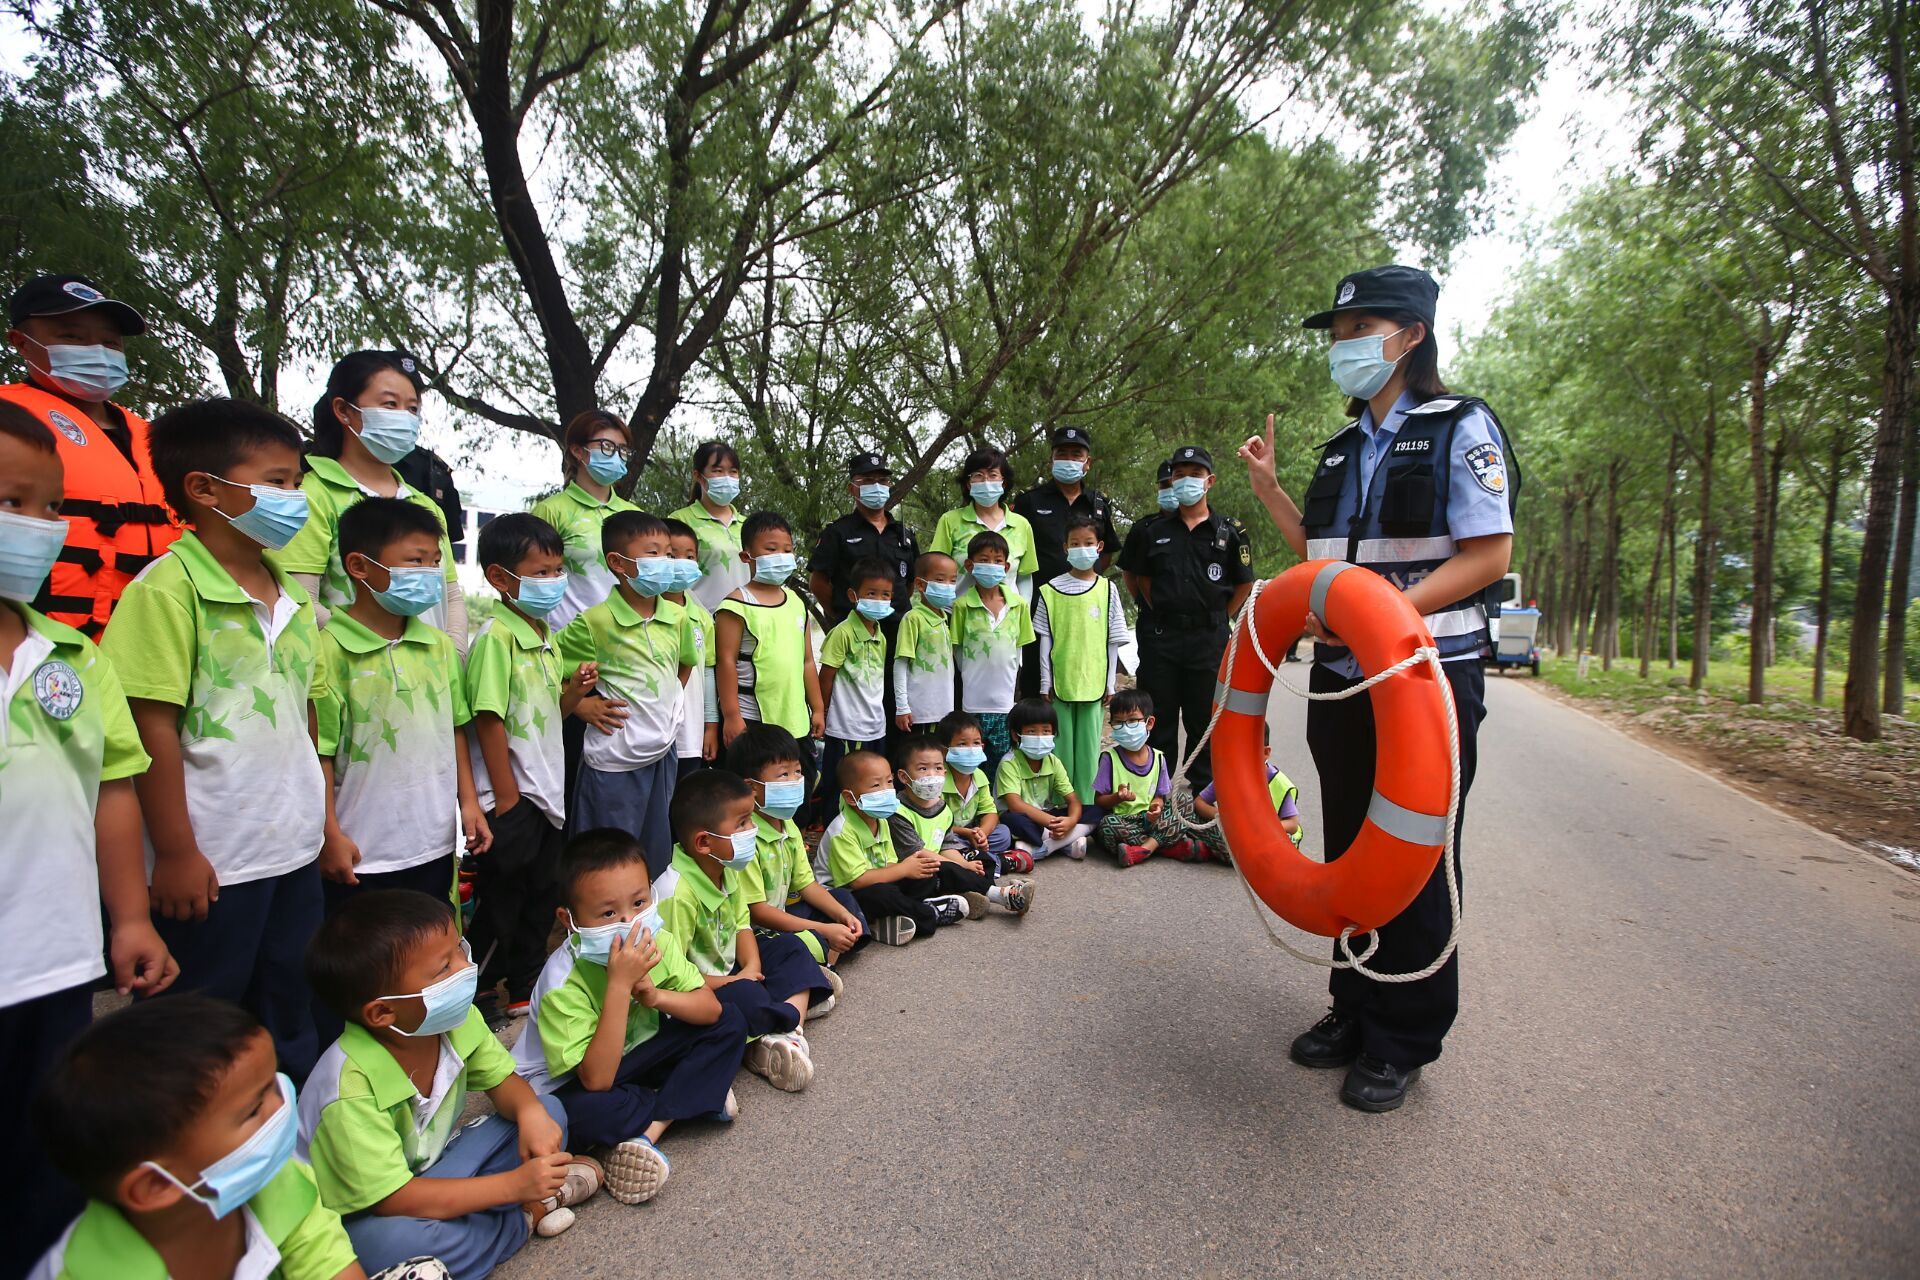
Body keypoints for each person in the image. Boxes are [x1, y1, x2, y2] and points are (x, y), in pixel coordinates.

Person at [1238, 263, 1515, 1112]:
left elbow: (1489, 555)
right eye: (1338, 337)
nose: (1343, 349)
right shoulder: (1340, 447)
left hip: (1426, 675)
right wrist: (1273, 492)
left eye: (1358, 333)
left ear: (1411, 336)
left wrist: (1384, 611)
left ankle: (1404, 1036)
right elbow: (1325, 561)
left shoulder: (1460, 428)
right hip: (1345, 675)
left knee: (1417, 855)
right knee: (1353, 842)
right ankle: (1353, 1007)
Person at [101, 398, 327, 1078]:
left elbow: (304, 717)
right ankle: (185, 1167)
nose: (295, 498)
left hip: (292, 849)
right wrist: (173, 851)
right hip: (214, 863)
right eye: (279, 481)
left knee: (291, 1007)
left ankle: (286, 1152)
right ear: (203, 488)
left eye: (297, 483)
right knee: (198, 1026)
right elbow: (150, 729)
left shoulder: (291, 599)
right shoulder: (166, 592)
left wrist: (324, 824)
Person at [0, 405, 177, 1274]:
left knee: (49, 1158)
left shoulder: (73, 656)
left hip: (55, 959)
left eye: (47, 507)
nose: (36, 529)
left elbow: (113, 792)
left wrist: (131, 919)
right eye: (10, 503)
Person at [300, 892, 597, 1275]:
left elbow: (507, 1086)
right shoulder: (348, 1090)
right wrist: (514, 1188)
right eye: (443, 968)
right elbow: (393, 1200)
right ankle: (525, 1216)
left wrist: (529, 1113)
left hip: (433, 1173)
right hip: (371, 1213)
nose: (465, 967)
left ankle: (482, 1221)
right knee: (388, 1247)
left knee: (549, 1111)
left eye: (460, 947)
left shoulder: (451, 1021)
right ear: (382, 1011)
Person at [29, 996, 365, 1280]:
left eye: (274, 1082)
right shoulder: (85, 1271)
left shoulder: (281, 1184)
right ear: (155, 1186)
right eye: (253, 1110)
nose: (282, 1105)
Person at [511, 829, 746, 1205]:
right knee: (590, 1115)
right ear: (568, 919)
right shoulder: (561, 982)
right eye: (608, 913)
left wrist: (655, 995)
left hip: (634, 1057)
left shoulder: (656, 939)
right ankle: (690, 1095)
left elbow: (710, 1009)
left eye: (639, 902)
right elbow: (596, 1080)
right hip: (576, 1081)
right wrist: (619, 987)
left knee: (731, 1019)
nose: (630, 921)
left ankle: (650, 1130)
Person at [314, 500, 489, 927]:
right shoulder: (328, 649)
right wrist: (329, 832)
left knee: (429, 942)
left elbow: (456, 729)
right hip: (363, 850)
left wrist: (469, 802)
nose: (430, 574)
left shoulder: (439, 646)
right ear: (359, 565)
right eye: (415, 561)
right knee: (368, 956)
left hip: (433, 842)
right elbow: (319, 751)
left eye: (435, 562)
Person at [465, 513, 597, 1014]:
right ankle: (476, 985)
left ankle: (524, 984)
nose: (554, 582)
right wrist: (505, 796)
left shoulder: (543, 635)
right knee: (504, 897)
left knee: (541, 891)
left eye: (558, 570)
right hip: (515, 796)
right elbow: (488, 718)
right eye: (540, 572)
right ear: (500, 577)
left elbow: (551, 713)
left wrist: (574, 692)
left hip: (546, 792)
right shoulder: (496, 638)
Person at [2, 274, 178, 637]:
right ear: (21, 342)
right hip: (40, 646)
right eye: (72, 337)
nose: (97, 351)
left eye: (110, 342)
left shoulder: (152, 435)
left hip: (150, 647)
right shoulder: (7, 415)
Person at [657, 770, 833, 1092]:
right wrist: (735, 981)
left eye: (750, 820)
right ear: (703, 842)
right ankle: (791, 1013)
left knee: (791, 948)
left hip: (732, 971)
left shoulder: (724, 867)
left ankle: (781, 1031)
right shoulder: (676, 895)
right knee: (747, 994)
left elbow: (741, 926)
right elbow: (672, 976)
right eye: (741, 824)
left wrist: (751, 967)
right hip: (697, 989)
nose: (752, 830)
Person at [281, 351, 465, 648]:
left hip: (431, 684)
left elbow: (451, 597)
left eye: (412, 408)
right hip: (349, 681)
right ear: (343, 410)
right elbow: (299, 600)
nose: (404, 417)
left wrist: (453, 657)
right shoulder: (312, 495)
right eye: (390, 404)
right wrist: (386, 655)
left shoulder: (424, 505)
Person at [556, 510, 698, 878]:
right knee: (605, 855)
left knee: (654, 851)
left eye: (669, 553)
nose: (666, 563)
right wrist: (582, 704)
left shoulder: (678, 617)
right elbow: (551, 674)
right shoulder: (594, 622)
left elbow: (684, 663)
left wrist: (667, 708)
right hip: (614, 760)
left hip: (662, 753)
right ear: (618, 562)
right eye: (653, 554)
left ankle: (646, 922)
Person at [1118, 444, 1252, 793]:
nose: (1186, 481)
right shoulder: (1151, 530)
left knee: (1203, 718)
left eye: (1195, 475)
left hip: (1208, 639)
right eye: (1179, 475)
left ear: (1210, 481)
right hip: (1161, 636)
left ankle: (1200, 793)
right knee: (1156, 716)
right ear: (1170, 480)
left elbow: (1244, 583)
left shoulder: (1230, 530)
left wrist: (1220, 616)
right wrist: (1154, 606)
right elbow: (1136, 577)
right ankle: (1155, 791)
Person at [728, 724, 868, 968]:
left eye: (798, 771)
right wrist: (823, 928)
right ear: (751, 788)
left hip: (785, 915)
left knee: (843, 901)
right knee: (798, 944)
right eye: (784, 774)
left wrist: (841, 916)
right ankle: (824, 960)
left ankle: (826, 957)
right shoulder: (745, 836)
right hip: (756, 932)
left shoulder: (787, 823)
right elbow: (758, 911)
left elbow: (806, 884)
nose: (796, 781)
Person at [1012, 426, 1122, 695]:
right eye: (1062, 454)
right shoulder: (1029, 501)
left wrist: (1085, 579)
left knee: (1080, 682)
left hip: (1085, 612)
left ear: (1088, 462)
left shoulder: (1098, 504)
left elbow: (1107, 552)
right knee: (1037, 690)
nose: (1069, 460)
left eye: (1076, 454)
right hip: (1040, 608)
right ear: (1051, 459)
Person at [820, 750, 970, 945]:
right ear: (850, 798)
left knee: (925, 872)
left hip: (877, 882)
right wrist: (903, 868)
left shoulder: (880, 819)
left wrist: (908, 869)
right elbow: (858, 881)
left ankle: (892, 918)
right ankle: (928, 914)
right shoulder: (841, 831)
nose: (886, 790)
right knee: (883, 893)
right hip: (844, 898)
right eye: (876, 785)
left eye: (889, 782)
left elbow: (889, 862)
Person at [716, 513, 823, 774]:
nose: (781, 556)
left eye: (787, 549)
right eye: (771, 549)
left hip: (796, 721)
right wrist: (731, 716)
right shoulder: (736, 604)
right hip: (754, 721)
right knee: (758, 789)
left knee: (798, 788)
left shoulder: (797, 602)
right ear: (746, 556)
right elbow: (725, 661)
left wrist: (818, 708)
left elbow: (807, 660)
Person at [1034, 512, 1129, 802]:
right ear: (1065, 547)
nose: (1081, 548)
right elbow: (1044, 640)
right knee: (1060, 749)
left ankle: (1087, 808)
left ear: (1099, 546)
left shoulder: (1108, 590)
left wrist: (1110, 683)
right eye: (1075, 543)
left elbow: (1113, 640)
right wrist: (1044, 681)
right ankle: (1062, 806)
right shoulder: (1049, 591)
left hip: (1094, 683)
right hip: (1061, 684)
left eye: (1088, 542)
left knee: (1089, 750)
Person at [890, 736, 1033, 916]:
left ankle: (970, 893)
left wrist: (964, 863)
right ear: (904, 776)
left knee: (981, 858)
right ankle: (1002, 895)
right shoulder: (898, 812)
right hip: (916, 870)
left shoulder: (942, 807)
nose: (932, 774)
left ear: (945, 772)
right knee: (948, 868)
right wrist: (961, 867)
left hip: (940, 861)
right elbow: (917, 852)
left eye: (938, 768)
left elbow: (947, 845)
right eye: (923, 768)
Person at [529, 409, 638, 631]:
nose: (616, 455)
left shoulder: (635, 515)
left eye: (623, 450)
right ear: (578, 451)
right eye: (607, 447)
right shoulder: (551, 511)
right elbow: (532, 578)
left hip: (625, 640)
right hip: (568, 640)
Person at [951, 531, 1034, 779]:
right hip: (972, 702)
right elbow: (957, 650)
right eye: (984, 559)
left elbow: (1019, 650)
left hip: (1005, 703)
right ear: (969, 565)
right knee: (972, 760)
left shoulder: (1018, 605)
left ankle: (999, 810)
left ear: (1007, 566)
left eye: (997, 561)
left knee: (1001, 759)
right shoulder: (962, 605)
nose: (991, 565)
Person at [807, 451, 919, 626]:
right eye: (867, 481)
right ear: (852, 488)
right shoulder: (837, 532)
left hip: (900, 632)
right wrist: (841, 615)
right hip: (855, 633)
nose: (876, 486)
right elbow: (818, 584)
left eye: (882, 481)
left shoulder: (904, 535)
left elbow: (909, 584)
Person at [816, 556, 893, 811]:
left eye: (885, 595)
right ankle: (834, 834)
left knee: (871, 783)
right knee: (842, 784)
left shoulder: (879, 635)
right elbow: (826, 675)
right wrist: (822, 712)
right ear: (853, 595)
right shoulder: (843, 632)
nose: (879, 601)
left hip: (875, 725)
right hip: (847, 726)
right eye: (871, 593)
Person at [1092, 689, 1191, 867]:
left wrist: (1157, 807)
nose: (1125, 727)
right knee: (1107, 826)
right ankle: (1163, 846)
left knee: (1184, 801)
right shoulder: (1109, 758)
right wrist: (1117, 797)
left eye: (1132, 720)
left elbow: (1160, 796)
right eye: (1119, 722)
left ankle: (1142, 849)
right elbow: (1099, 800)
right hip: (1125, 821)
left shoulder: (1159, 758)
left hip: (1153, 821)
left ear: (1149, 722)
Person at [929, 446, 1036, 600]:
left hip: (1009, 619)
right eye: (978, 475)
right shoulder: (950, 521)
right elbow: (935, 570)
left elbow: (1024, 577)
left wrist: (1023, 614)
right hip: (958, 616)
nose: (986, 481)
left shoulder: (1021, 525)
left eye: (993, 475)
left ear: (1004, 483)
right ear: (968, 483)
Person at [995, 698, 1092, 861]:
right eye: (1032, 732)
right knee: (1014, 822)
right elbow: (1015, 805)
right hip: (1021, 817)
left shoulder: (1053, 761)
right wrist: (1054, 823)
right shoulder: (1009, 763)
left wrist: (1070, 820)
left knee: (1095, 811)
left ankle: (1043, 847)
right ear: (1015, 735)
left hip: (1046, 815)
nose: (1040, 736)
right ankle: (1067, 843)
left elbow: (1073, 799)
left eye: (1046, 731)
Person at [1189, 723, 1305, 859]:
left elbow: (1292, 824)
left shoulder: (1279, 782)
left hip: (1263, 838)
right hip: (1232, 834)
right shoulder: (1229, 773)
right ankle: (1220, 851)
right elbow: (1200, 802)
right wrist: (1220, 815)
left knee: (1282, 843)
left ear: (1265, 753)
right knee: (1182, 804)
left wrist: (1264, 828)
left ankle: (1213, 851)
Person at [662, 517, 719, 779]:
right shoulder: (645, 611)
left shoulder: (702, 617)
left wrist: (710, 726)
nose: (682, 564)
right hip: (654, 730)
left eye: (690, 556)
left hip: (691, 733)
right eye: (673, 556)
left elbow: (708, 672)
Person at [667, 440, 748, 614]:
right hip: (700, 622)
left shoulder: (748, 525)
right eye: (718, 471)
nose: (727, 478)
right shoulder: (680, 520)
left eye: (733, 472)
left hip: (747, 621)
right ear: (698, 475)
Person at [935, 711, 1015, 872]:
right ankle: (991, 861)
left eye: (976, 743)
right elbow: (935, 823)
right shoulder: (939, 780)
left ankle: (969, 855)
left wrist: (981, 833)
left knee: (1004, 833)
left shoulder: (979, 776)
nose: (971, 749)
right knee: (939, 841)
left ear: (983, 747)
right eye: (963, 744)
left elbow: (991, 813)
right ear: (944, 750)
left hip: (970, 834)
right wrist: (965, 833)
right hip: (950, 834)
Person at [892, 551, 958, 732]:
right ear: (920, 584)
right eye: (940, 579)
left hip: (943, 710)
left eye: (953, 581)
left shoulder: (945, 619)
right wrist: (902, 706)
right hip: (919, 714)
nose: (948, 586)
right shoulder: (913, 618)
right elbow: (901, 663)